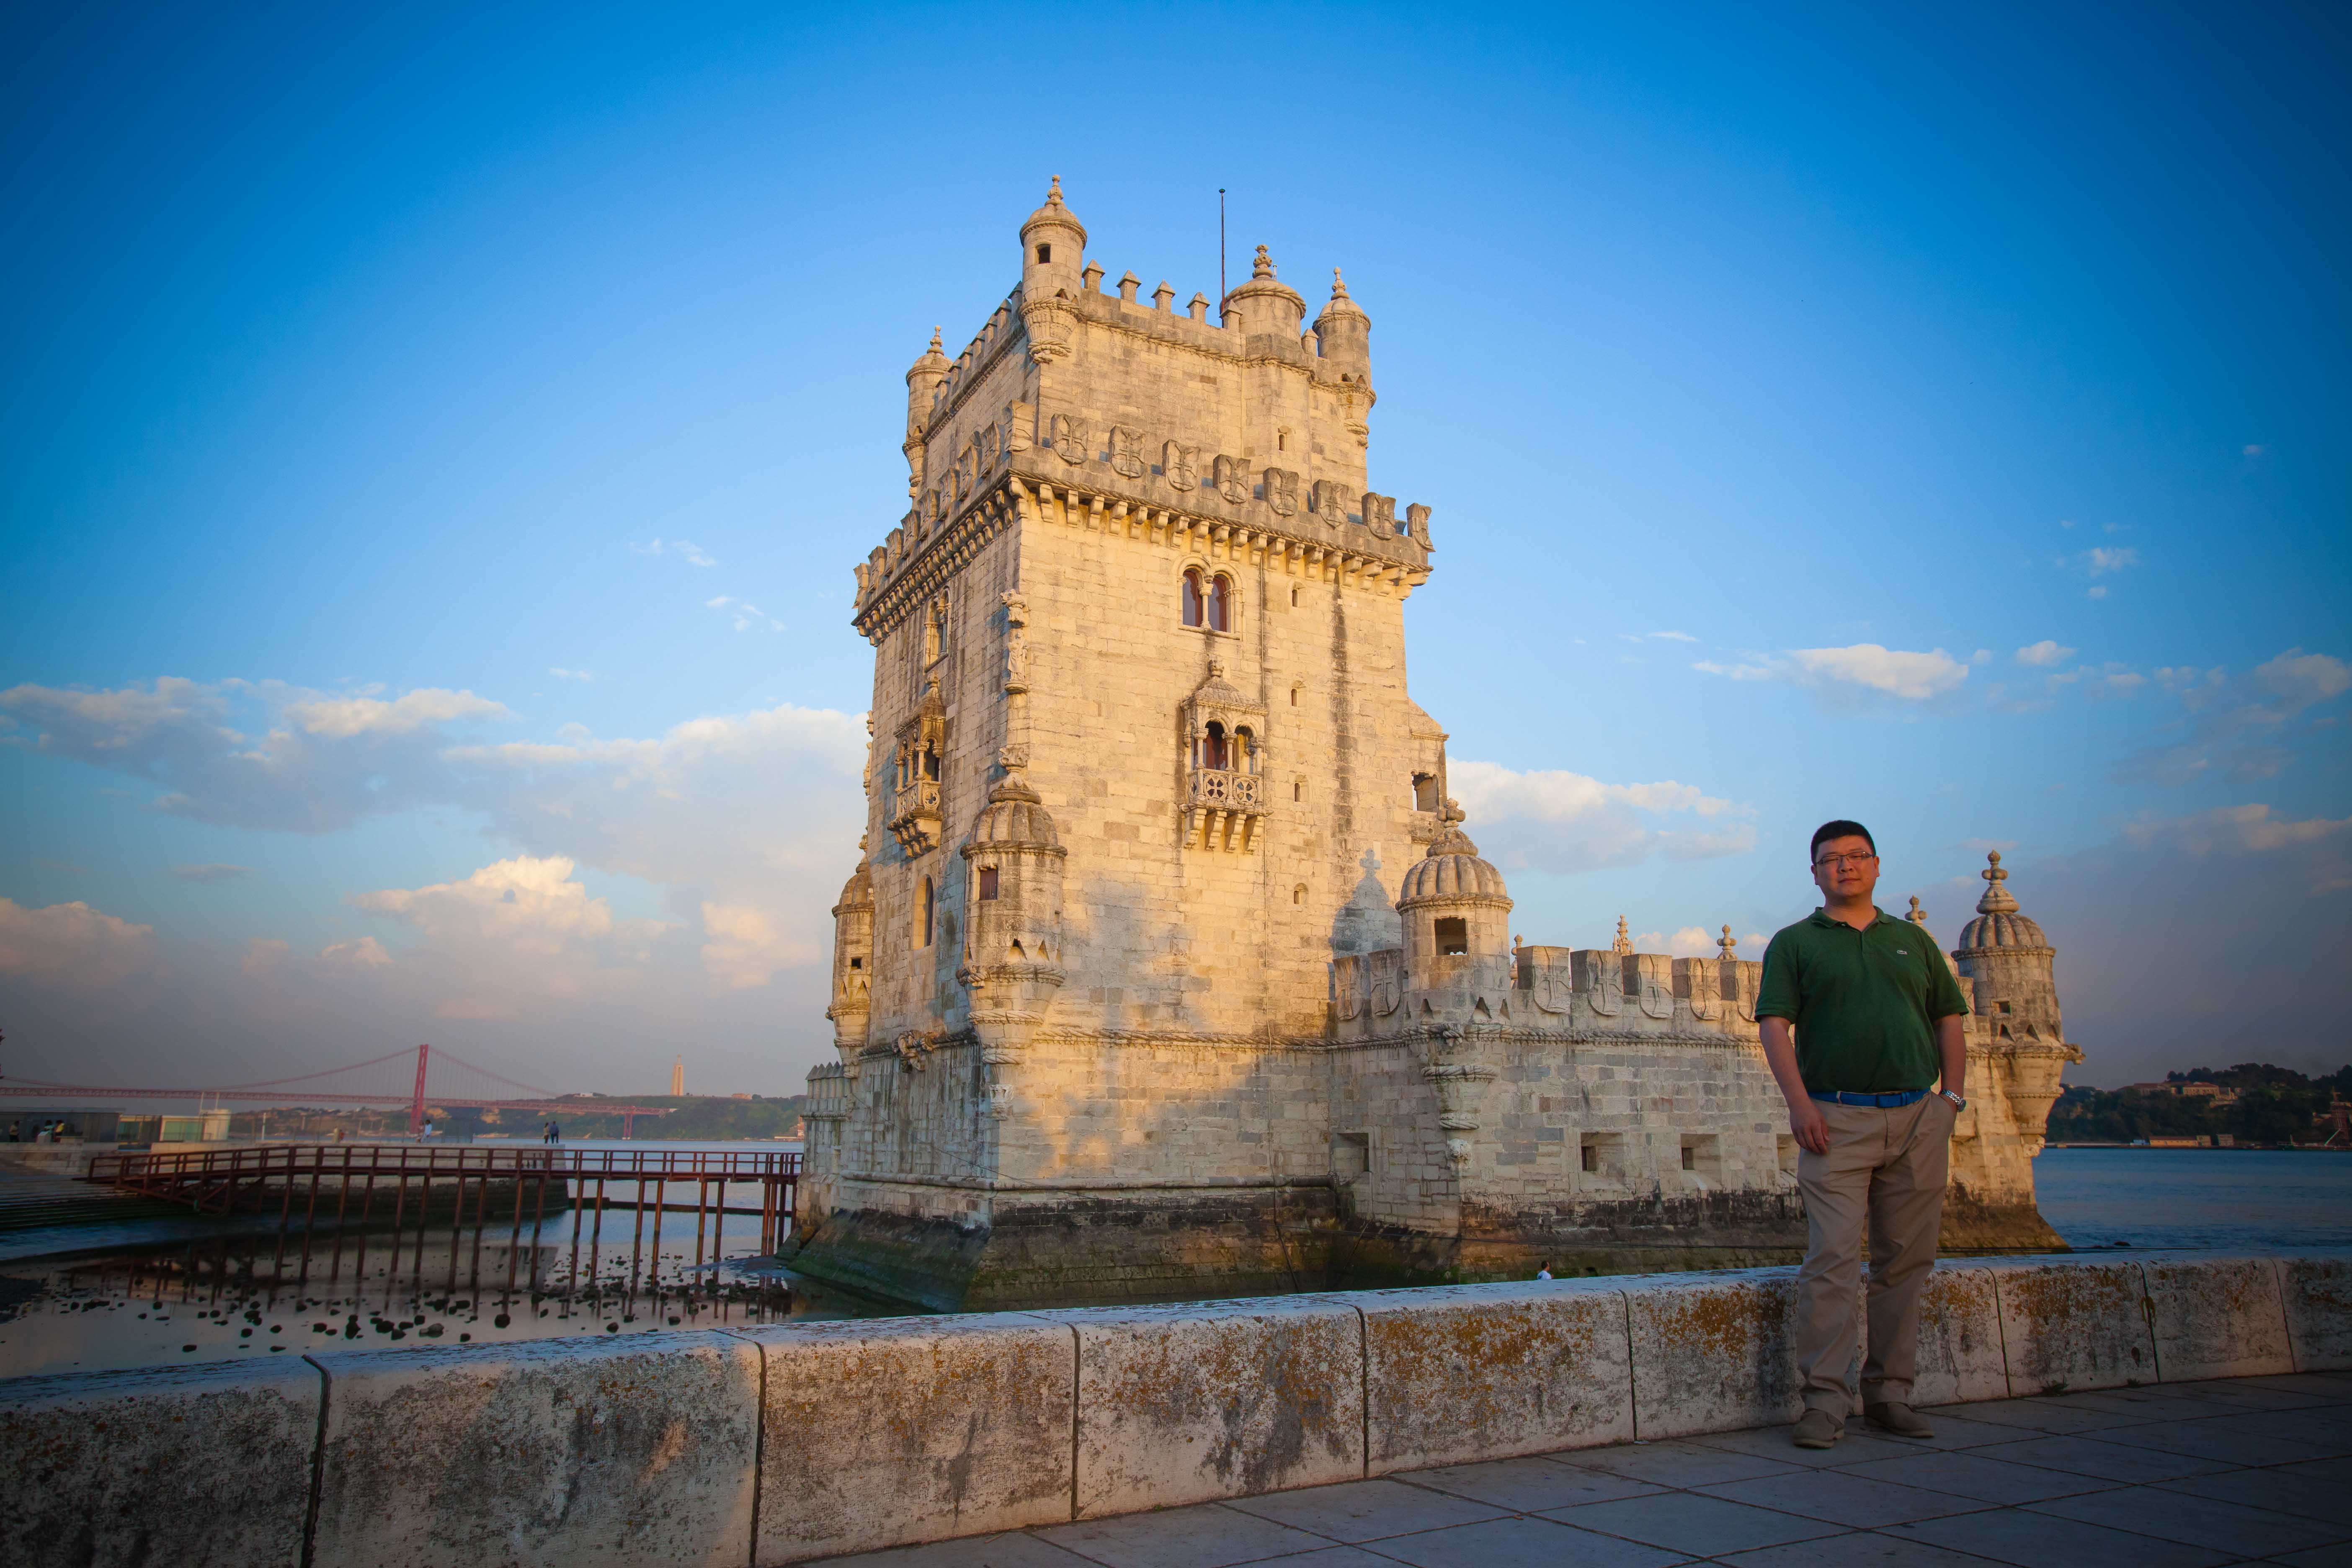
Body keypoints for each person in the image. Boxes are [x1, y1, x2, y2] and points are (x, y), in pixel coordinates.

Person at [1756, 819, 1969, 1449]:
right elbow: (1774, 1025)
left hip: (1918, 1117)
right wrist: (1800, 1105)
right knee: (1833, 1260)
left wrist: (1949, 1102)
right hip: (1835, 1119)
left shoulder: (1913, 941)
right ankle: (1825, 1401)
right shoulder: (1796, 943)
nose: (1845, 867)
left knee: (1908, 1260)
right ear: (1815, 873)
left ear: (1876, 866)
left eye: (1856, 857)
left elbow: (1948, 1017)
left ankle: (1890, 1393)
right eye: (1832, 860)